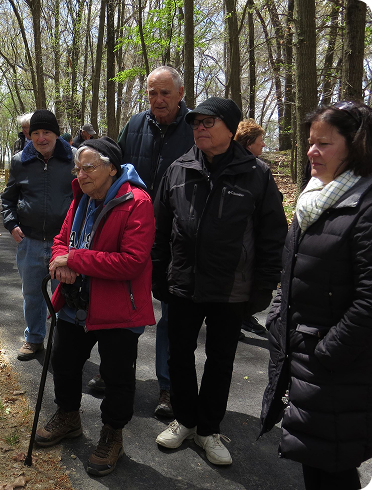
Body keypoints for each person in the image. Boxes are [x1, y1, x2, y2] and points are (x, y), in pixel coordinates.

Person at [152, 97, 287, 465]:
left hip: (231, 289)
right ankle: (184, 419)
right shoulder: (179, 169)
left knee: (220, 360)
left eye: (208, 122)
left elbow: (273, 235)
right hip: (182, 284)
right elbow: (160, 229)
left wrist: (263, 287)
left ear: (230, 128)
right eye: (196, 122)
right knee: (179, 355)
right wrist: (158, 274)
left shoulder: (256, 173)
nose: (199, 127)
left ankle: (208, 430)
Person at [260, 100, 372, 490]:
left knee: (334, 465)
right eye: (310, 142)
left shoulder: (365, 206)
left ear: (355, 146)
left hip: (337, 368)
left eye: (323, 144)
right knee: (315, 460)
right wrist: (277, 315)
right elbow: (289, 271)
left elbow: (369, 301)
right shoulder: (315, 198)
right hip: (304, 358)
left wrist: (326, 353)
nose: (311, 151)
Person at [35, 137, 155, 476]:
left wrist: (75, 259)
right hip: (76, 303)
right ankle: (69, 417)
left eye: (89, 168)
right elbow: (62, 239)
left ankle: (112, 434)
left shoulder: (137, 201)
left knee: (117, 376)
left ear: (112, 168)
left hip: (118, 308)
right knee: (64, 362)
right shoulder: (83, 197)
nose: (81, 174)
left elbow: (131, 262)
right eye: (78, 168)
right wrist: (61, 260)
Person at [115, 65, 194, 419]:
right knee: (123, 306)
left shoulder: (197, 128)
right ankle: (116, 372)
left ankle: (167, 386)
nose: (158, 100)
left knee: (171, 316)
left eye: (165, 93)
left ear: (180, 93)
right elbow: (116, 171)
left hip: (175, 237)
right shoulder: (134, 125)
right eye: (152, 93)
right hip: (131, 232)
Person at [1, 110, 74, 360]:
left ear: (56, 133)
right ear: (28, 135)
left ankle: (66, 344)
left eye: (47, 132)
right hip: (30, 241)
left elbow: (87, 200)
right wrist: (12, 225)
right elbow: (8, 198)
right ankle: (34, 339)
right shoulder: (20, 161)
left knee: (67, 296)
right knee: (32, 294)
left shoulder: (73, 159)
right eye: (35, 133)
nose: (41, 138)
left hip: (64, 244)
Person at [234, 119, 269, 336]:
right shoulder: (246, 170)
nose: (264, 145)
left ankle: (243, 318)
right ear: (248, 144)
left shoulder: (260, 170)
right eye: (260, 141)